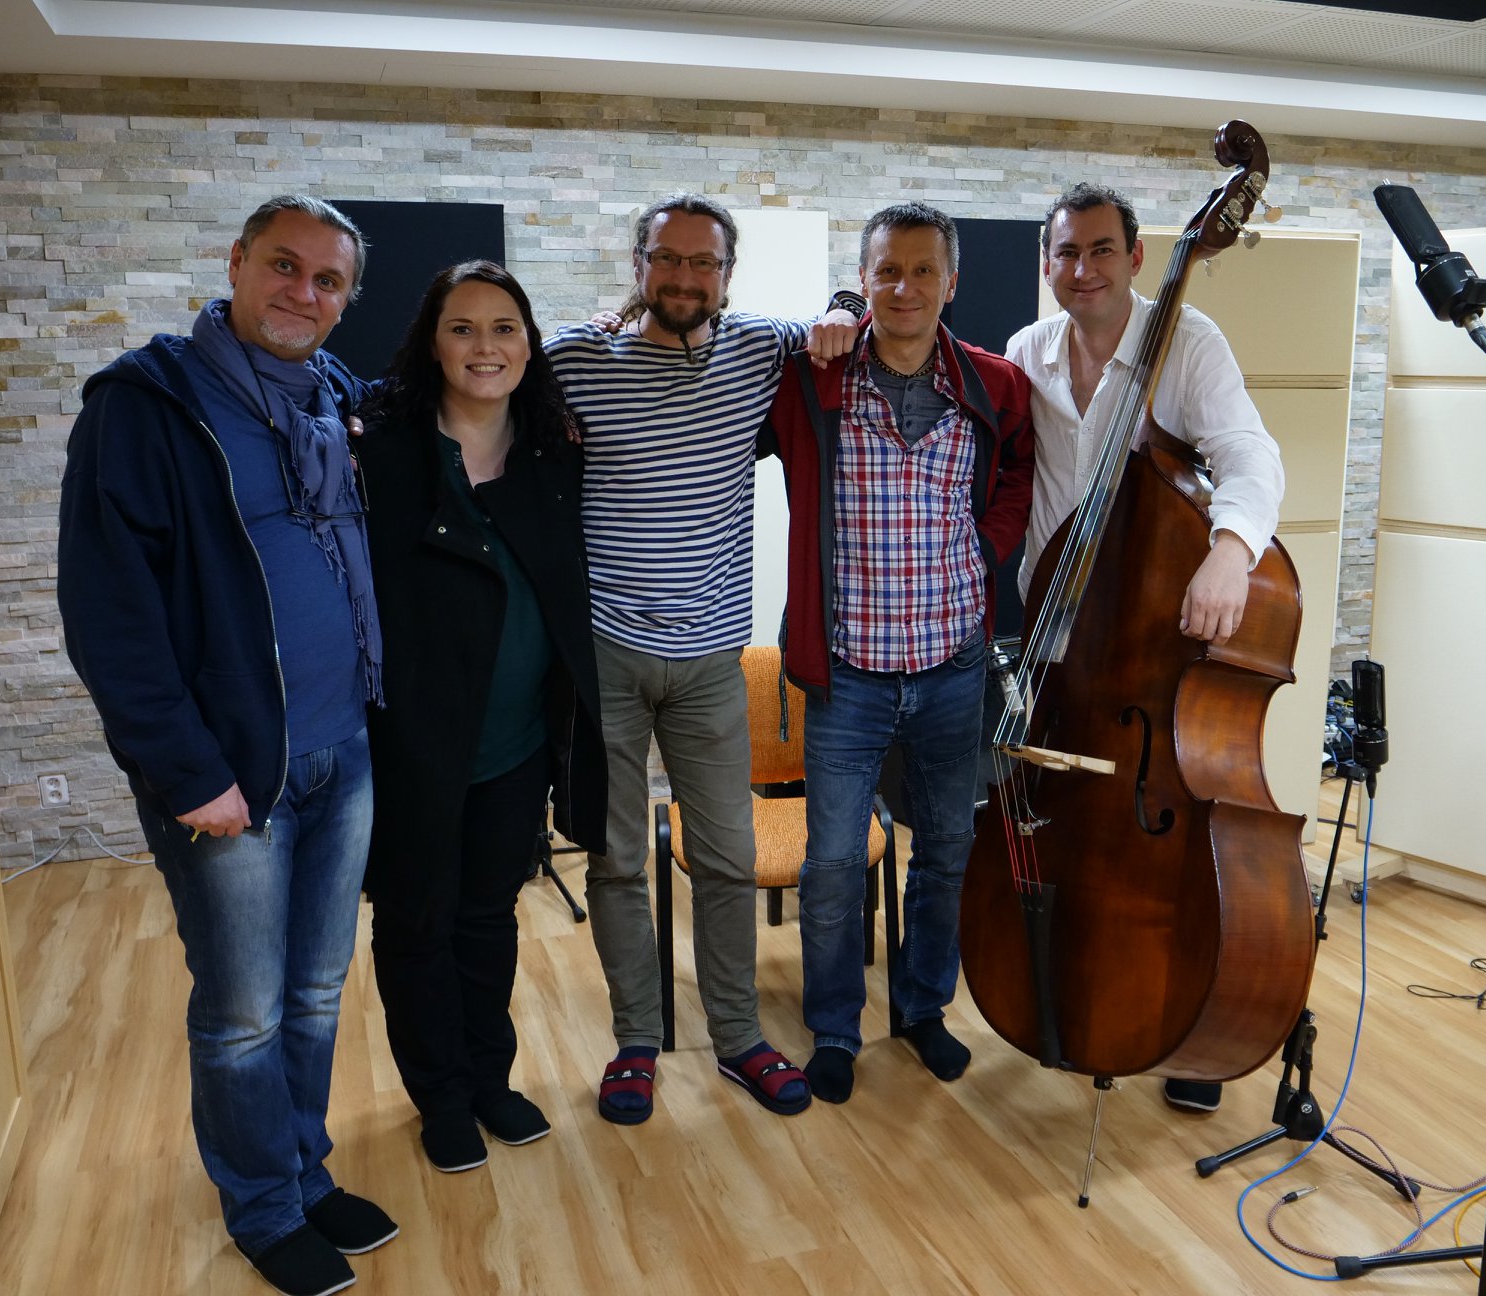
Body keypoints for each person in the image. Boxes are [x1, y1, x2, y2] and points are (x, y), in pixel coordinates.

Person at [58, 195, 394, 1296]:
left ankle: (302, 1170)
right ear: (237, 263)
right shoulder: (148, 406)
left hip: (341, 758)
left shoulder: (336, 403)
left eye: (329, 280)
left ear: (347, 300)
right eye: (284, 267)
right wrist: (188, 772)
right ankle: (260, 1206)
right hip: (229, 778)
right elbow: (111, 613)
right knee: (244, 1009)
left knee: (313, 992)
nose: (304, 293)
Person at [544, 192, 859, 1125]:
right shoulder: (574, 358)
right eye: (666, 259)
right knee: (616, 860)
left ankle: (737, 1038)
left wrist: (843, 302)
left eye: (703, 264)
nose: (683, 278)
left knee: (723, 858)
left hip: (713, 660)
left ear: (728, 274)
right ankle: (637, 1040)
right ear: (637, 260)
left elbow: (858, 320)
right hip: (605, 653)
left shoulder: (763, 348)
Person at [1005, 182, 1285, 1113]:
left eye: (1100, 250)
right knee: (1065, 821)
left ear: (1133, 256)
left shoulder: (1188, 342)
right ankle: (1072, 995)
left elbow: (1250, 455)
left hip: (1152, 627)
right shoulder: (1026, 351)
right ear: (1046, 264)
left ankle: (1184, 1017)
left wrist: (1230, 553)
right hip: (1058, 631)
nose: (1081, 270)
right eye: (1064, 253)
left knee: (1161, 832)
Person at [762, 201, 1036, 1104]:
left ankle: (922, 1011)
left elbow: (1019, 476)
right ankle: (835, 1029)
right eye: (887, 271)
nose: (906, 288)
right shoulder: (814, 376)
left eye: (924, 271)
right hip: (848, 675)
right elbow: (708, 353)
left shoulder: (995, 385)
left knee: (948, 850)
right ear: (865, 280)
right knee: (835, 863)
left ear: (952, 282)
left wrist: (988, 548)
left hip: (955, 666)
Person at [354, 262, 606, 1174]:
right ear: (433, 341)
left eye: (504, 327)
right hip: (417, 746)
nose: (484, 346)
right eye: (462, 328)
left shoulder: (553, 455)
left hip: (519, 745)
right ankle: (441, 1095)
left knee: (488, 916)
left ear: (529, 344)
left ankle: (489, 1077)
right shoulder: (382, 453)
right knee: (417, 921)